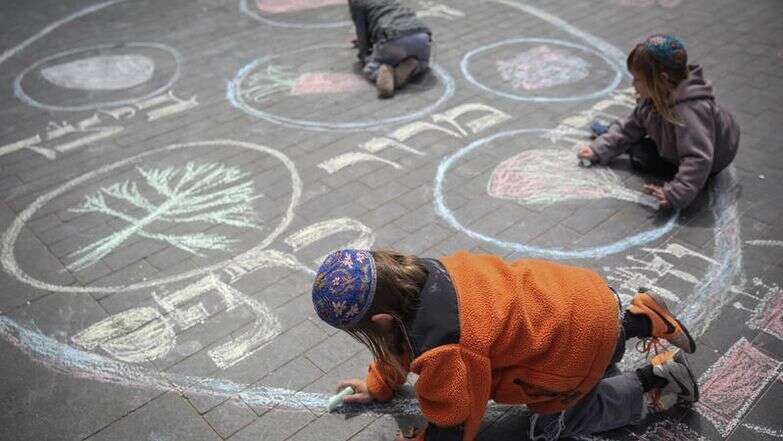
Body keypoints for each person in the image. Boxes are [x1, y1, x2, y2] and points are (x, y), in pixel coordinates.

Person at [311, 249, 700, 441]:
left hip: (575, 342)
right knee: (567, 337)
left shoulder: (444, 344)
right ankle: (639, 317)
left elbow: (456, 419)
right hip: (585, 298)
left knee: (555, 422)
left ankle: (660, 379)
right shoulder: (418, 275)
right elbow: (398, 343)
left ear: (380, 322)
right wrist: (378, 386)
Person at [577, 34, 739, 210]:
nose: (633, 84)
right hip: (678, 141)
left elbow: (698, 159)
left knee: (640, 155)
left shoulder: (690, 111)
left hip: (711, 160)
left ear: (661, 79)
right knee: (630, 129)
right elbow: (631, 124)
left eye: (638, 79)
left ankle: (613, 137)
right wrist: (598, 149)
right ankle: (610, 136)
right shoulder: (657, 92)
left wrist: (675, 193)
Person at [348, 0, 432, 98]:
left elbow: (362, 33)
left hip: (392, 38)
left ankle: (383, 70)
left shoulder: (357, 2)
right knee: (423, 62)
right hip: (420, 35)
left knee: (371, 68)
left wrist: (364, 56)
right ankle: (414, 65)